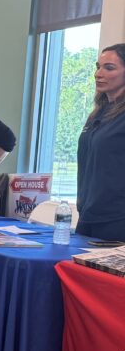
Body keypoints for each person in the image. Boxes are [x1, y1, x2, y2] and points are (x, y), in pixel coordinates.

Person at [77, 44, 125, 241]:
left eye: (109, 68)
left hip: (117, 219)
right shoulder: (98, 113)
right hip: (88, 214)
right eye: (98, 66)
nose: (98, 73)